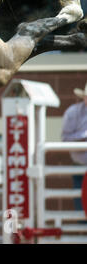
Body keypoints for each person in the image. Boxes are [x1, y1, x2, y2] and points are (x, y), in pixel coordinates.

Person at [61, 82, 87, 211]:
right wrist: (83, 138)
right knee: (81, 208)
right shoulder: (73, 112)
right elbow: (65, 140)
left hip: (80, 167)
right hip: (80, 167)